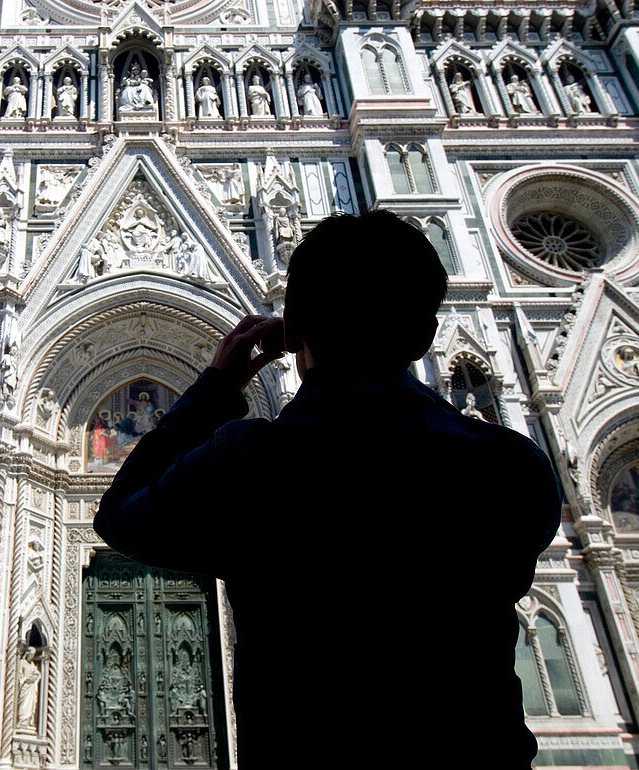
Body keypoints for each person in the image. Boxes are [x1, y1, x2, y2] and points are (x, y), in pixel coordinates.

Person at [94, 210, 561, 769]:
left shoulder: (250, 463)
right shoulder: (513, 468)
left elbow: (118, 517)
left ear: (291, 330)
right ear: (426, 335)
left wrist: (217, 389)